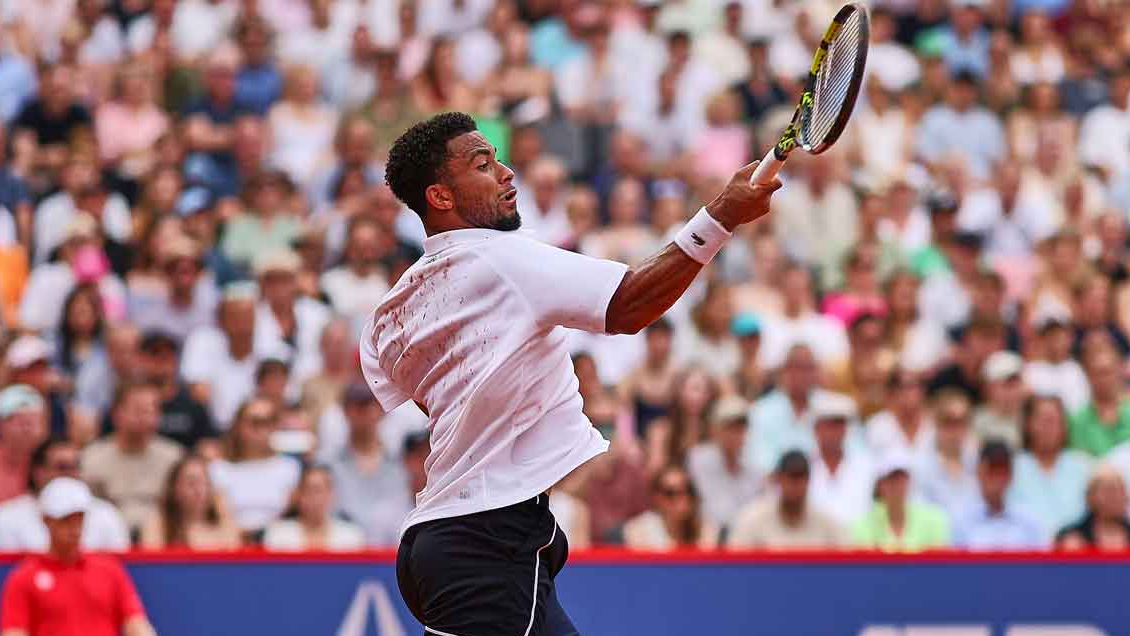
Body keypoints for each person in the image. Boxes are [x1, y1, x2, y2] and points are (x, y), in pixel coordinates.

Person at [363, 112, 779, 636]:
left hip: (451, 543)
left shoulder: (398, 303)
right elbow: (628, 305)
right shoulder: (504, 261)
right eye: (484, 164)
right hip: (485, 544)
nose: (508, 173)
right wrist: (720, 216)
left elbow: (420, 389)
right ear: (441, 197)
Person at [0, 477, 157, 636]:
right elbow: (14, 631)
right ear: (47, 520)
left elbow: (136, 622)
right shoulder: (24, 577)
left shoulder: (109, 569)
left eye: (79, 519)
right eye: (66, 520)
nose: (74, 528)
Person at [81, 380, 184, 532]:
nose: (147, 417)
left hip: (162, 542)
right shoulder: (91, 458)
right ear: (117, 413)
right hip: (110, 540)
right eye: (139, 410)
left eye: (152, 410)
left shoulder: (174, 457)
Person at [0, 438, 129, 552]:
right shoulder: (7, 517)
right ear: (38, 472)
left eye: (75, 467)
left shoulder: (106, 514)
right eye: (62, 467)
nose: (70, 474)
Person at [327, 382, 413, 547]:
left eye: (372, 405)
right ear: (345, 411)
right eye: (359, 406)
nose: (366, 413)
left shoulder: (400, 462)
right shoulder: (328, 463)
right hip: (341, 553)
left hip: (390, 552)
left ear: (382, 411)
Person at [208, 396, 301, 538]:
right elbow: (222, 518)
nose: (261, 429)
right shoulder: (219, 469)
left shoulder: (290, 468)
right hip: (232, 545)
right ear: (238, 425)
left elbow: (289, 516)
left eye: (268, 422)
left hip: (279, 546)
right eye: (255, 422)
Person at [727, 451, 847, 549]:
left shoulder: (826, 522)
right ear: (778, 479)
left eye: (800, 478)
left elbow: (847, 563)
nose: (795, 486)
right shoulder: (752, 519)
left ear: (808, 481)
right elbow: (735, 564)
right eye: (790, 478)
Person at [1011, 395, 1092, 535]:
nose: (1048, 427)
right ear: (1028, 424)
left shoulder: (1084, 465)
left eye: (1054, 421)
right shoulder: (1012, 467)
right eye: (1042, 421)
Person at [952, 441, 1048, 550]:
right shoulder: (960, 520)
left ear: (1011, 476)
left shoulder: (1029, 521)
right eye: (991, 471)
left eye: (1002, 472)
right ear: (979, 472)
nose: (997, 479)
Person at [685, 395, 762, 528]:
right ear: (714, 428)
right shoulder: (697, 459)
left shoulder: (755, 464)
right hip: (709, 535)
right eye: (729, 427)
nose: (735, 434)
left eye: (740, 427)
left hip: (747, 537)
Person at [852, 453, 951, 552]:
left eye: (902, 479)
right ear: (880, 484)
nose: (897, 485)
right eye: (892, 479)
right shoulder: (863, 525)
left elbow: (939, 560)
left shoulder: (934, 520)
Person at [139, 455, 242, 550]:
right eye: (191, 483)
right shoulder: (158, 524)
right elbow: (151, 561)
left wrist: (222, 508)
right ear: (174, 489)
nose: (200, 490)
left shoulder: (224, 522)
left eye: (206, 483)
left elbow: (235, 558)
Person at [263, 465, 365, 551]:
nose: (314, 498)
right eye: (308, 490)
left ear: (331, 494)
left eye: (318, 490)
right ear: (298, 495)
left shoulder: (350, 535)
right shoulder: (278, 533)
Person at [623, 465, 719, 550]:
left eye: (688, 490)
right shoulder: (638, 531)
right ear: (656, 497)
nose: (682, 498)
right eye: (670, 493)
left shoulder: (707, 531)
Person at [1055, 464, 1130, 551]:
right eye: (1109, 491)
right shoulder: (1072, 537)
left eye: (1120, 491)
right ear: (1090, 497)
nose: (1115, 497)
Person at [0, 385, 49, 504]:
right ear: (2, 424)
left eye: (35, 422)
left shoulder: (54, 464)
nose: (28, 429)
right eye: (22, 422)